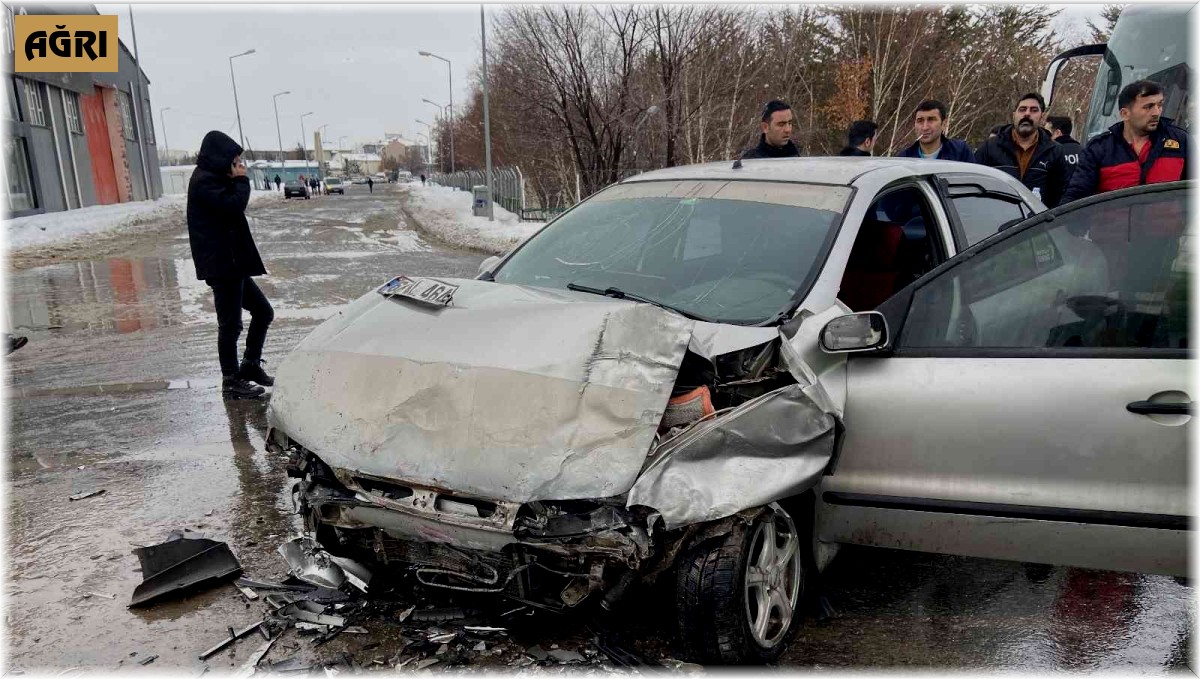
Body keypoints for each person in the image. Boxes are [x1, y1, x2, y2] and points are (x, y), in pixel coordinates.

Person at [187, 130, 275, 399]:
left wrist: (234, 179)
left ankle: (249, 365)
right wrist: (242, 180)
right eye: (234, 159)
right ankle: (230, 379)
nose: (238, 165)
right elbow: (234, 205)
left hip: (231, 262)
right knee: (230, 325)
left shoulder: (213, 178)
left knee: (263, 312)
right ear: (220, 156)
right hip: (221, 264)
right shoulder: (204, 181)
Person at [1063, 80, 1188, 203]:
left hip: (1167, 223)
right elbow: (1075, 197)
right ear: (1125, 114)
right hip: (1113, 223)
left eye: (1159, 105)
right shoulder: (1100, 148)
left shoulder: (1181, 141)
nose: (1156, 113)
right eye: (1148, 107)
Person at [974, 93, 1070, 207]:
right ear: (1014, 115)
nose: (1027, 114)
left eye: (1034, 110)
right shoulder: (990, 147)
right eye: (1022, 109)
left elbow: (1059, 195)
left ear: (1042, 117)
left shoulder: (1054, 151)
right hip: (996, 217)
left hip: (1035, 221)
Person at [896, 100, 974, 162]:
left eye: (931, 120)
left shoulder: (960, 152)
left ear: (944, 124)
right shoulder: (905, 159)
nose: (925, 127)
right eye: (920, 121)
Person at [1045, 115, 1084, 182]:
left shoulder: (1052, 152)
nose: (1044, 136)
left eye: (1047, 133)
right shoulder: (1083, 151)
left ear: (1057, 133)